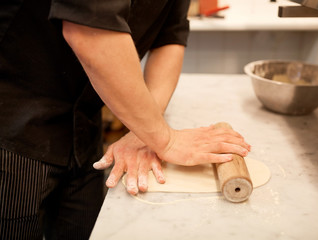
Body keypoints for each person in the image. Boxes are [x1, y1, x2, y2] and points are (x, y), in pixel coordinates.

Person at [0, 0, 251, 239]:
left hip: (84, 130)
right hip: (12, 129)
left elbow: (169, 37)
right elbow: (88, 31)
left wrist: (145, 131)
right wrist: (166, 140)